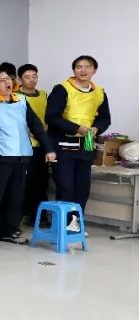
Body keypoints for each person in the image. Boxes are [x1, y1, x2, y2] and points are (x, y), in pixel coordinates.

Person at [0, 67, 56, 247]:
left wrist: (49, 148)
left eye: (8, 79)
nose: (7, 82)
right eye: (2, 80)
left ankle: (8, 231)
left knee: (16, 197)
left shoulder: (21, 101)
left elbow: (36, 126)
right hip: (1, 156)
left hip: (22, 155)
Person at [46, 55, 111, 230]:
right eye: (78, 67)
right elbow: (52, 117)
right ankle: (62, 226)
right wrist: (77, 128)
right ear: (73, 70)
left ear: (94, 70)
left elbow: (105, 118)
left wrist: (97, 128)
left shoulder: (99, 92)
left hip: (87, 144)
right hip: (64, 146)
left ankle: (74, 226)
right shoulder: (62, 89)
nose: (83, 70)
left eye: (87, 66)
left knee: (82, 189)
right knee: (66, 187)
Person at [17, 63, 51, 219]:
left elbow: (48, 115)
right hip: (24, 145)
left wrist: (46, 125)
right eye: (27, 77)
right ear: (19, 79)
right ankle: (20, 215)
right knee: (24, 182)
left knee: (41, 182)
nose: (32, 80)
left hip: (42, 144)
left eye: (34, 76)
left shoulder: (43, 94)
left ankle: (38, 216)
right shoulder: (16, 96)